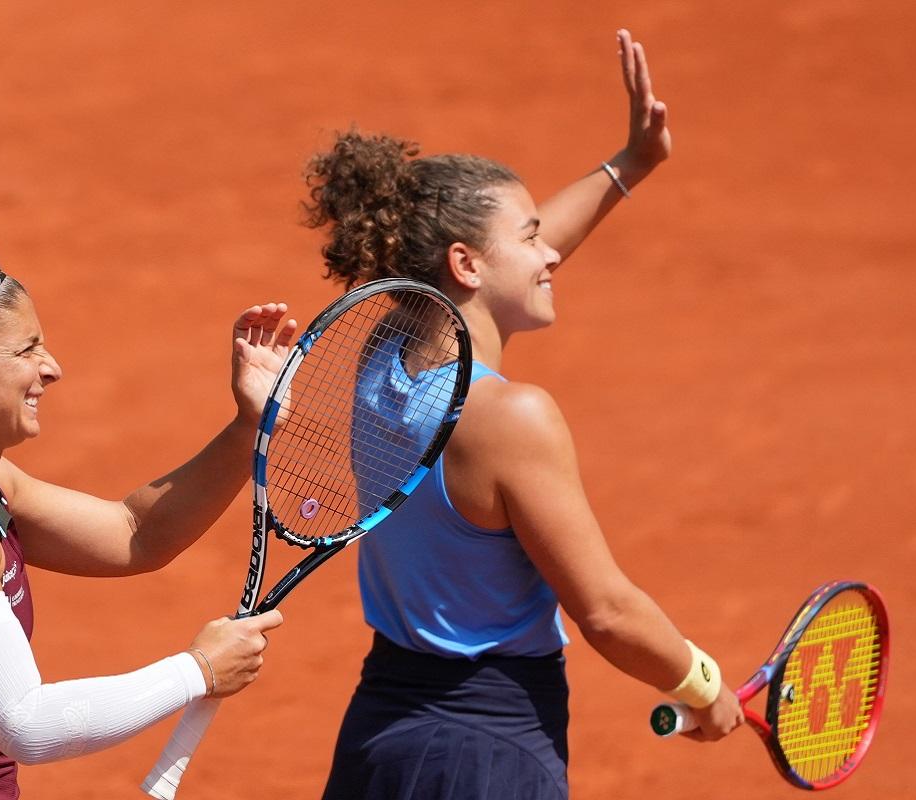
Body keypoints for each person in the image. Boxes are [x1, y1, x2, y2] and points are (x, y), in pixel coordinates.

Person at [304, 30, 744, 800]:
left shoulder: (380, 359)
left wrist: (631, 165)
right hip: (489, 752)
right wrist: (700, 683)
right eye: (531, 237)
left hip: (379, 740)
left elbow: (488, 268)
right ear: (467, 264)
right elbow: (606, 612)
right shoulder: (512, 418)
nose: (550, 257)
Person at [0, 228, 294, 798]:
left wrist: (248, 425)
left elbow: (135, 534)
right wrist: (197, 671)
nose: (51, 369)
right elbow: (26, 725)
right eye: (26, 350)